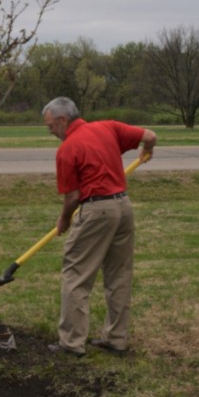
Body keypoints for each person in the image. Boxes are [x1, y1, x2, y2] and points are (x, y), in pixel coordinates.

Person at [42, 97, 157, 357]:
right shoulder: (108, 127)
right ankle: (116, 339)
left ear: (62, 120)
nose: (50, 132)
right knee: (119, 275)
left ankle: (71, 344)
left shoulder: (68, 148)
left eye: (50, 126)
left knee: (75, 275)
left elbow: (72, 197)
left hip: (96, 211)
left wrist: (63, 219)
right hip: (123, 207)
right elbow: (150, 135)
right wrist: (147, 151)